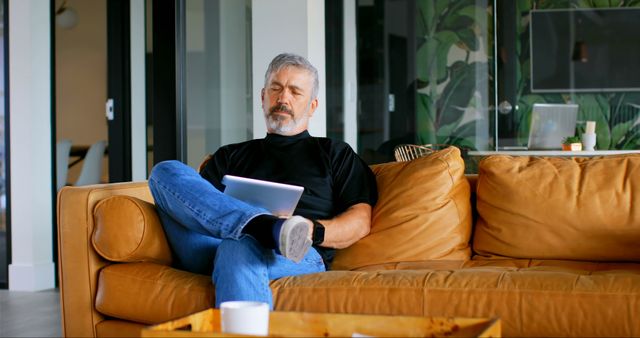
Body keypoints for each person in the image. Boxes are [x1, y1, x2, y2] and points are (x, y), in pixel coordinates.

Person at [148, 53, 377, 309]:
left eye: (295, 92)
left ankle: (268, 233)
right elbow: (197, 208)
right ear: (262, 97)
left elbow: (360, 221)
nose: (283, 98)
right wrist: (265, 228)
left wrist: (309, 230)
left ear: (312, 106)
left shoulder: (335, 153)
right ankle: (266, 227)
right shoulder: (229, 154)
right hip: (210, 244)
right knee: (164, 170)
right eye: (275, 88)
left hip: (294, 254)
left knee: (239, 247)